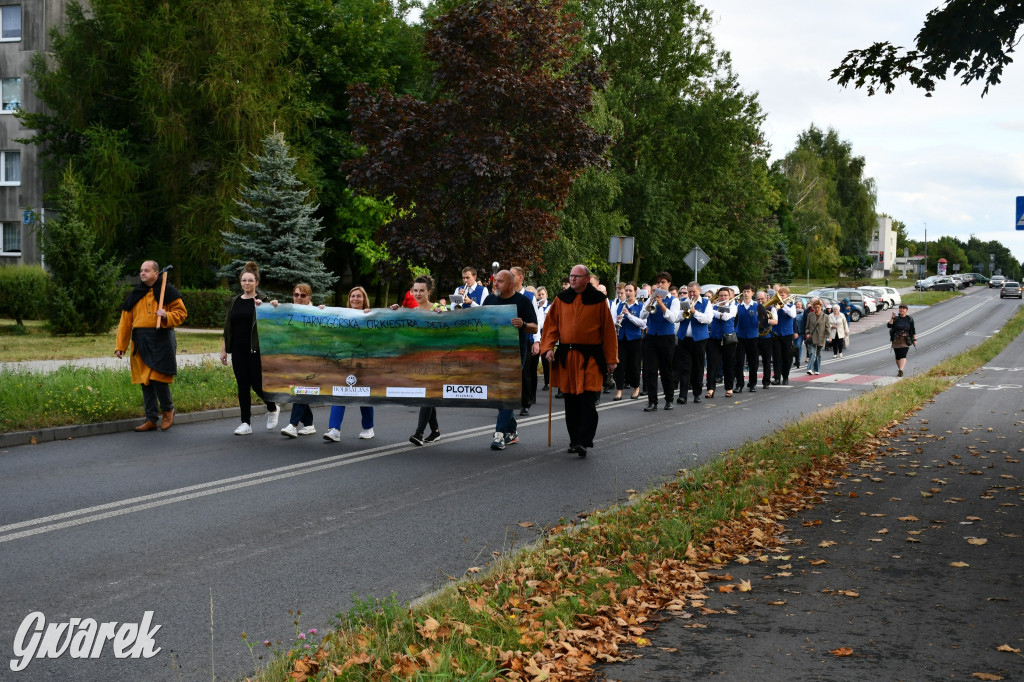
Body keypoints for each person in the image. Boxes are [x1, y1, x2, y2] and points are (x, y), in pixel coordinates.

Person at [541, 265, 618, 457]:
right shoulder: (561, 299)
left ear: (587, 279)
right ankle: (574, 440)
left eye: (577, 276)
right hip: (568, 356)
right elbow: (551, 326)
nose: (573, 279)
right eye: (571, 276)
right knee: (571, 401)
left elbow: (608, 331)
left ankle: (585, 440)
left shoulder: (599, 300)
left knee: (588, 400)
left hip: (591, 356)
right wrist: (548, 347)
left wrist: (611, 359)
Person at [115, 260, 188, 432]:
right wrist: (121, 346)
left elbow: (181, 313)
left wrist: (166, 315)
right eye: (141, 270)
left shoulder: (168, 292)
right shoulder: (135, 294)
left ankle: (168, 411)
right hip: (141, 341)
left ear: (157, 273)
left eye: (147, 270)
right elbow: (125, 322)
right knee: (145, 381)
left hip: (161, 338)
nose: (142, 273)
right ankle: (151, 419)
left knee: (158, 378)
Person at [221, 261, 279, 435]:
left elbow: (275, 319)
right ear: (241, 282)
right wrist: (224, 350)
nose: (246, 283)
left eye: (250, 281)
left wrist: (272, 306)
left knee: (257, 384)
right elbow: (227, 327)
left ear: (256, 283)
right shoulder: (235, 302)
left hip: (256, 350)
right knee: (242, 386)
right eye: (244, 281)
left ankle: (272, 407)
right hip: (238, 350)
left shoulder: (262, 301)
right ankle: (245, 423)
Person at [484, 269, 538, 450]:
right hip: (494, 352)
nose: (495, 284)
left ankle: (499, 434)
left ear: (510, 284)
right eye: (495, 280)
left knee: (506, 390)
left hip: (515, 352)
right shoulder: (490, 300)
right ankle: (512, 431)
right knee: (500, 391)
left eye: (499, 281)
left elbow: (535, 327)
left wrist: (523, 324)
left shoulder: (522, 302)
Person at [397, 276, 447, 445]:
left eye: (421, 290)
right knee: (427, 394)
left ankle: (419, 434)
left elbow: (451, 328)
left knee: (426, 395)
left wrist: (443, 316)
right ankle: (435, 431)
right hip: (419, 360)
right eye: (415, 290)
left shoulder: (438, 308)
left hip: (436, 360)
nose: (418, 294)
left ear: (429, 292)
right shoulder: (414, 312)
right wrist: (394, 312)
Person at [323, 286, 376, 442]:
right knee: (340, 393)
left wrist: (391, 310)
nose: (355, 299)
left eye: (359, 296)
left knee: (364, 396)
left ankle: (368, 428)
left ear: (364, 299)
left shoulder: (371, 316)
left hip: (364, 361)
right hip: (346, 362)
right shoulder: (342, 316)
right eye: (352, 296)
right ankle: (334, 429)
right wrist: (321, 311)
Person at [273, 283, 323, 437]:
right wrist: (273, 307)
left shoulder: (316, 313)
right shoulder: (288, 311)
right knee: (297, 390)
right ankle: (308, 424)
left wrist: (323, 312)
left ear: (309, 297)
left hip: (310, 359)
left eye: (303, 295)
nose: (299, 298)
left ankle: (292, 425)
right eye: (296, 295)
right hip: (293, 359)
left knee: (300, 389)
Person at [640, 271, 681, 411]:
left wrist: (661, 303)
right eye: (658, 282)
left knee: (666, 370)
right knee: (650, 371)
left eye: (663, 282)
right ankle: (652, 402)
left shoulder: (674, 300)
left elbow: (672, 318)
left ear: (669, 284)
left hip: (666, 338)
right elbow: (642, 315)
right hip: (652, 337)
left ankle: (669, 399)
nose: (660, 284)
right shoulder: (651, 298)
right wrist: (651, 301)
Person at [673, 281, 713, 404]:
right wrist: (684, 312)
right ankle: (682, 395)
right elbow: (676, 318)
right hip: (684, 338)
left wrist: (695, 312)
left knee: (698, 367)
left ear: (699, 291)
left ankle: (697, 394)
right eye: (689, 292)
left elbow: (708, 319)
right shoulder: (684, 301)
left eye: (693, 292)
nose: (691, 294)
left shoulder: (706, 302)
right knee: (684, 367)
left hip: (700, 339)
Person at [511, 266, 539, 415]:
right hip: (508, 340)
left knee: (525, 373)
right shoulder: (504, 295)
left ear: (520, 277)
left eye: (512, 275)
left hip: (525, 339)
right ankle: (507, 402)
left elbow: (536, 321)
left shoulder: (529, 296)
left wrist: (536, 341)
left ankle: (525, 403)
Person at [612, 282, 645, 401]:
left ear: (635, 292)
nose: (627, 293)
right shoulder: (620, 305)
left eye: (630, 291)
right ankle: (619, 391)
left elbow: (642, 324)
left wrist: (629, 316)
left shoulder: (640, 306)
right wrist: (617, 319)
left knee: (634, 365)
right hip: (621, 338)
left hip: (634, 339)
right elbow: (613, 320)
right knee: (620, 365)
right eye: (626, 290)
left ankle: (636, 388)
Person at [706, 287, 737, 398]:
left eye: (725, 295)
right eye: (721, 295)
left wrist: (712, 311)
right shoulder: (713, 306)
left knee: (728, 363)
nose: (723, 297)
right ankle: (710, 388)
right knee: (712, 364)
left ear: (729, 296)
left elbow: (726, 317)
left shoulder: (733, 306)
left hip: (728, 338)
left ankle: (729, 388)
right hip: (714, 338)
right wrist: (713, 310)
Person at [733, 285, 761, 393]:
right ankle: (739, 384)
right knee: (739, 361)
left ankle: (752, 384)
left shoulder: (757, 306)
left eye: (748, 291)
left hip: (753, 336)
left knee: (753, 362)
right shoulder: (738, 306)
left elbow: (763, 320)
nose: (745, 293)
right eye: (744, 291)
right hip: (740, 336)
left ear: (752, 293)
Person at [770, 286, 796, 385]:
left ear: (787, 296)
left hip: (787, 334)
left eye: (783, 295)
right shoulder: (774, 306)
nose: (781, 296)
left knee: (787, 357)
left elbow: (793, 315)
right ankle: (777, 377)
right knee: (776, 357)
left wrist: (783, 305)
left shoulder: (791, 306)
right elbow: (774, 319)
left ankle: (785, 377)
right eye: (779, 295)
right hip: (776, 334)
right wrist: (776, 309)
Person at [755, 290, 777, 389]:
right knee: (753, 361)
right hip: (754, 336)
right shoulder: (754, 307)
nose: (760, 301)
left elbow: (775, 321)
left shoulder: (771, 308)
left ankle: (766, 381)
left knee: (766, 361)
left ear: (767, 298)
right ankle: (753, 382)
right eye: (758, 299)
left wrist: (764, 320)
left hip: (766, 337)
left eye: (762, 299)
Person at [887, 303, 917, 377]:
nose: (901, 310)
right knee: (897, 356)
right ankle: (900, 370)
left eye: (903, 308)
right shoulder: (896, 318)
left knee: (903, 355)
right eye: (900, 308)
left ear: (906, 310)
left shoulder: (909, 319)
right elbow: (889, 325)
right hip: (896, 340)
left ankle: (901, 370)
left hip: (905, 340)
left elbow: (913, 330)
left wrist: (915, 339)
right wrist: (892, 318)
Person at [803, 298, 828, 376]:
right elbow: (807, 327)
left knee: (819, 354)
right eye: (815, 307)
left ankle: (817, 369)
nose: (817, 309)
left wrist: (829, 336)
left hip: (821, 337)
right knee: (812, 353)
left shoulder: (825, 316)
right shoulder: (810, 315)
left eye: (818, 307)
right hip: (812, 337)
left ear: (821, 307)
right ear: (813, 307)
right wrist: (807, 333)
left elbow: (827, 327)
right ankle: (810, 369)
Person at [535, 286, 552, 391]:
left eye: (543, 294)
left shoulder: (550, 306)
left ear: (546, 295)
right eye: (539, 295)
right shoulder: (536, 306)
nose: (541, 296)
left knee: (546, 359)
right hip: (537, 335)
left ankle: (548, 382)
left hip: (546, 335)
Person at [792, 299, 806, 369]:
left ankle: (798, 360)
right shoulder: (792, 312)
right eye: (797, 304)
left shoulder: (803, 313)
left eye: (800, 304)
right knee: (794, 346)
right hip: (793, 332)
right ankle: (796, 359)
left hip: (800, 332)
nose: (798, 306)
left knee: (798, 345)